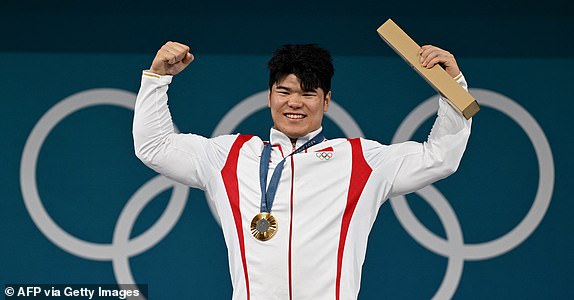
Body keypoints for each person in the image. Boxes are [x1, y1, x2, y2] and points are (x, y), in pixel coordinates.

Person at [133, 41, 472, 300]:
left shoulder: (360, 160)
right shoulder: (230, 156)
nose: (294, 103)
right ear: (269, 97)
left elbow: (440, 157)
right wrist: (157, 78)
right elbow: (155, 146)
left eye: (308, 93)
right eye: (284, 91)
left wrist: (453, 86)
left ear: (326, 101)